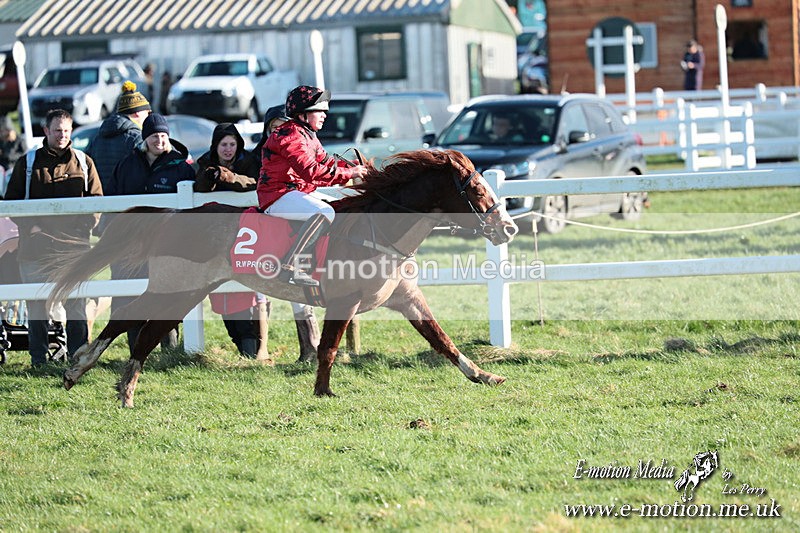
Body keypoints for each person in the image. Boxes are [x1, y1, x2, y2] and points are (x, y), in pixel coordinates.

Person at [4, 109, 103, 366]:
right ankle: (39, 360)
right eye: (57, 130)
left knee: (76, 305)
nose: (62, 135)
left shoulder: (84, 162)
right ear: (46, 131)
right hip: (34, 248)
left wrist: (81, 230)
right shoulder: (26, 164)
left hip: (74, 249)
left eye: (66, 131)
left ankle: (78, 359)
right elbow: (11, 204)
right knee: (37, 307)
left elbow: (96, 203)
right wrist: (31, 227)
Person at [259, 85, 367, 286]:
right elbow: (311, 172)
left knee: (341, 207)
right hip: (277, 195)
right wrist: (349, 173)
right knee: (325, 212)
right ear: (302, 114)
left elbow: (327, 162)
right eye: (320, 110)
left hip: (292, 193)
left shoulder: (307, 134)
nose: (325, 115)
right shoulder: (290, 136)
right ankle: (291, 266)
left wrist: (356, 166)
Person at [106, 113, 195, 353]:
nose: (159, 140)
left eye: (163, 135)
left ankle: (169, 349)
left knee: (166, 295)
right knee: (130, 294)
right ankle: (135, 348)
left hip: (167, 245)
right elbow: (113, 201)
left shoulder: (180, 167)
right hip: (131, 244)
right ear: (145, 138)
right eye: (154, 136)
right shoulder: (127, 165)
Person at [195, 122, 266, 359]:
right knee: (222, 295)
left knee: (245, 294)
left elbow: (253, 184)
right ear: (215, 146)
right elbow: (199, 189)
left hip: (245, 236)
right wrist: (211, 176)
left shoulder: (249, 162)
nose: (228, 149)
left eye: (232, 144)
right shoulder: (205, 163)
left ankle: (252, 352)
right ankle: (242, 349)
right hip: (213, 238)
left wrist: (226, 177)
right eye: (223, 144)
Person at [86, 80, 151, 193]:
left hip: (102, 200)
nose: (149, 116)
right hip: (128, 202)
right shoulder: (136, 138)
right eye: (147, 112)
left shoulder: (97, 138)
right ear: (137, 113)